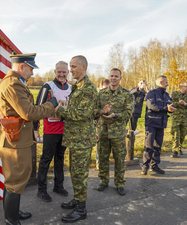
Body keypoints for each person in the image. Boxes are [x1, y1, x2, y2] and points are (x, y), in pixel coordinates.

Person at [0, 53, 59, 225]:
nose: (32, 73)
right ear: (21, 66)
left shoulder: (15, 83)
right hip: (15, 139)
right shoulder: (13, 84)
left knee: (14, 179)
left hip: (16, 137)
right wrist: (50, 105)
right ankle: (11, 220)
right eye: (31, 69)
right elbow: (29, 113)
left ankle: (13, 213)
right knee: (15, 181)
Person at [56, 55, 110, 223]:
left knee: (79, 174)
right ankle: (77, 199)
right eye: (70, 67)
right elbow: (91, 112)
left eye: (73, 67)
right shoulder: (78, 87)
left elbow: (81, 113)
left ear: (83, 67)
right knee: (74, 172)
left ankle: (81, 209)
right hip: (75, 138)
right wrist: (100, 111)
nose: (70, 70)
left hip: (82, 140)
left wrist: (58, 110)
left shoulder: (87, 87)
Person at [34, 61, 71, 202]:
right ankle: (41, 190)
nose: (61, 74)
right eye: (59, 72)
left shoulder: (71, 88)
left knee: (60, 159)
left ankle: (58, 186)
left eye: (64, 72)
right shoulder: (47, 86)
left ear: (67, 72)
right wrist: (35, 128)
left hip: (65, 130)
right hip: (50, 130)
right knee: (46, 159)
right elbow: (37, 108)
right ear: (55, 72)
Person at [96, 68, 134, 196]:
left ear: (120, 78)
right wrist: (101, 114)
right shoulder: (101, 94)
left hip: (118, 133)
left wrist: (115, 115)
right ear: (109, 77)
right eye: (111, 76)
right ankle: (103, 181)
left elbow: (128, 112)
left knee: (119, 159)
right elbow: (95, 111)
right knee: (103, 158)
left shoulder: (126, 94)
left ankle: (119, 183)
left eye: (116, 76)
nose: (113, 78)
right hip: (103, 132)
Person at [140, 75, 176, 175]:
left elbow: (170, 105)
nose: (168, 84)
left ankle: (154, 166)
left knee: (158, 146)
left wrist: (172, 109)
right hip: (151, 123)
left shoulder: (166, 94)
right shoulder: (151, 93)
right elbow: (151, 106)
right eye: (166, 82)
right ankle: (145, 166)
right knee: (149, 146)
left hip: (161, 124)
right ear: (161, 83)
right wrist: (166, 108)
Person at [170, 81, 187, 158]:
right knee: (175, 133)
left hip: (184, 118)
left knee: (183, 133)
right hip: (176, 117)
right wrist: (179, 103)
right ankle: (175, 150)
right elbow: (170, 103)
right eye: (186, 86)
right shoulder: (174, 94)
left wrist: (185, 104)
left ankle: (179, 147)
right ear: (181, 87)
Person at [95, 78, 110, 170]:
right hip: (100, 125)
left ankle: (106, 164)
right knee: (99, 146)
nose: (105, 91)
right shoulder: (97, 97)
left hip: (111, 126)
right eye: (103, 88)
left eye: (107, 88)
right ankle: (98, 164)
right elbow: (94, 110)